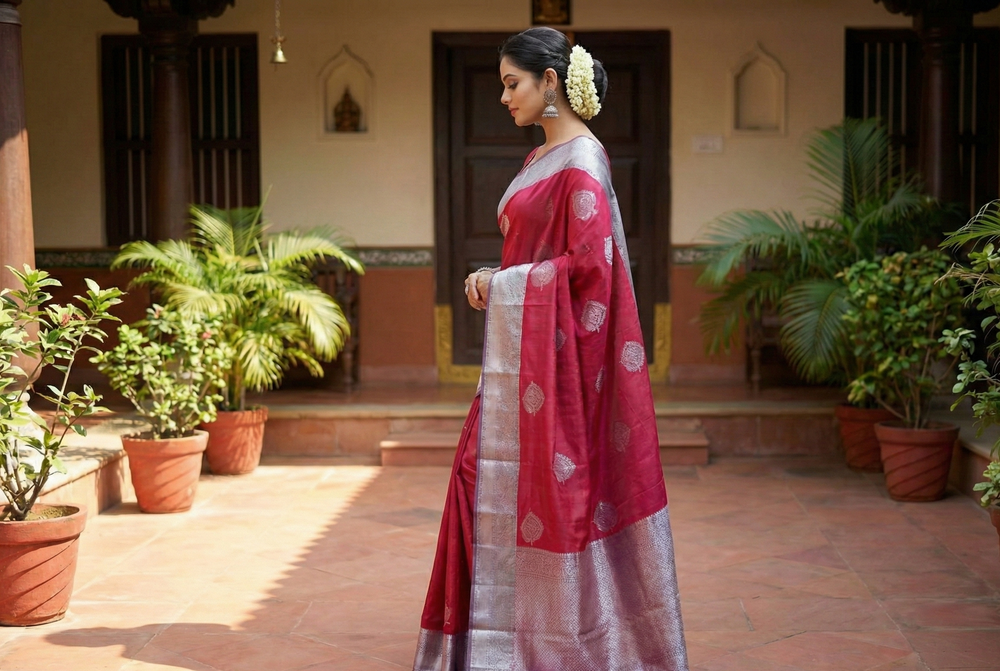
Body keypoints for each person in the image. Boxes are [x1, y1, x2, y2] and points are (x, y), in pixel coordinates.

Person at [413, 27, 688, 671]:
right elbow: (545, 255)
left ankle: (553, 647)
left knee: (524, 490)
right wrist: (505, 281)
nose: (505, 97)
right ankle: (488, 646)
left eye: (513, 84)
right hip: (519, 363)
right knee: (476, 481)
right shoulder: (540, 158)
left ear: (552, 83)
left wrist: (501, 284)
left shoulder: (583, 161)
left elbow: (590, 271)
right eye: (503, 85)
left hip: (561, 366)